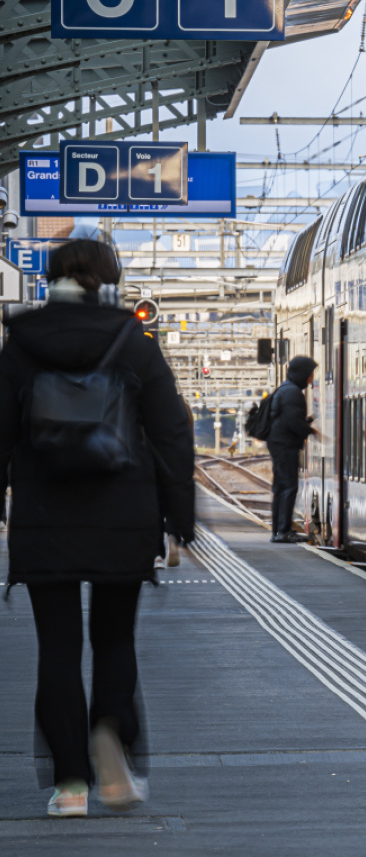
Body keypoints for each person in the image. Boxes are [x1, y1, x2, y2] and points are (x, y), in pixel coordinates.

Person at [0, 237, 194, 818]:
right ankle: (111, 745)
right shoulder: (133, 342)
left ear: (51, 279)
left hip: (43, 519)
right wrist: (177, 521)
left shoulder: (21, 344)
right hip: (122, 516)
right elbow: (170, 434)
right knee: (114, 640)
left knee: (56, 649)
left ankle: (70, 785)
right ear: (107, 282)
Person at [267, 356, 317, 543]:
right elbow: (292, 423)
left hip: (278, 443)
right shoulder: (293, 393)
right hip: (285, 446)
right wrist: (311, 430)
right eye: (310, 374)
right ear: (303, 374)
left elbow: (287, 419)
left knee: (281, 488)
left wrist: (307, 423)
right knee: (288, 487)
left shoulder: (285, 390)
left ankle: (278, 531)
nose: (311, 378)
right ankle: (283, 531)